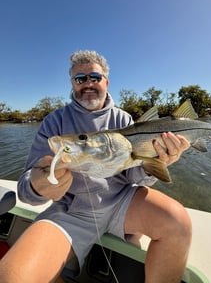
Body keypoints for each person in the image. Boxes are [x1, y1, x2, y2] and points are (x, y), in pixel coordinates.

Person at [0, 50, 192, 283]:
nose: (88, 83)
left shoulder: (124, 120)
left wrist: (157, 163)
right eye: (80, 79)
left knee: (178, 222)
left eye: (94, 76)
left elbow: (135, 176)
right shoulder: (54, 122)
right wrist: (39, 184)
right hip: (71, 210)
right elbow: (25, 191)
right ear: (72, 83)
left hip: (122, 201)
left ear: (106, 81)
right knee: (13, 278)